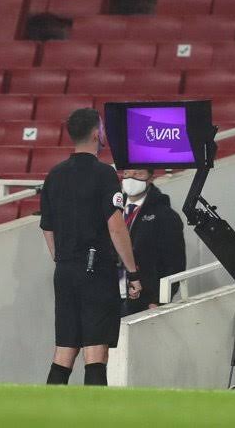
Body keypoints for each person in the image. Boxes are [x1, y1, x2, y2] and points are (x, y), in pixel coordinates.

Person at [40, 108, 142, 386]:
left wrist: (62, 260)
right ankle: (93, 410)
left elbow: (47, 228)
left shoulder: (55, 175)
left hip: (65, 271)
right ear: (97, 134)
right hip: (95, 272)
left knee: (64, 350)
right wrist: (132, 272)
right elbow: (116, 227)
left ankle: (47, 409)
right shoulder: (104, 174)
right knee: (96, 353)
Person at [120, 169, 186, 316]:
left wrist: (158, 300)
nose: (131, 178)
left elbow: (174, 263)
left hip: (145, 301)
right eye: (127, 174)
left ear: (151, 178)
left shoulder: (165, 215)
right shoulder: (112, 210)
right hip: (110, 296)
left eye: (138, 174)